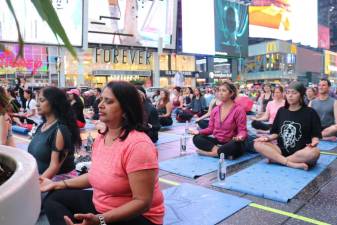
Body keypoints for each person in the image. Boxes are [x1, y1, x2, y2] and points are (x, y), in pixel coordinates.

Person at [40, 81, 164, 225]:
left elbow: (142, 202)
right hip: (103, 206)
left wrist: (100, 220)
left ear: (125, 109)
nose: (100, 105)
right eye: (102, 99)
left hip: (139, 217)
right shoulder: (103, 136)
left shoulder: (139, 146)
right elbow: (95, 176)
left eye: (109, 101)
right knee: (54, 199)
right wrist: (57, 184)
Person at [254, 82, 321, 170]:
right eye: (288, 92)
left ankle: (277, 160)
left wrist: (314, 142)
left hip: (301, 153)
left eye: (294, 93)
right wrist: (267, 138)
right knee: (258, 143)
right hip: (280, 150)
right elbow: (276, 133)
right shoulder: (281, 111)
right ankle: (290, 163)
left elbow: (315, 135)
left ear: (301, 95)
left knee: (315, 153)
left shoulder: (310, 112)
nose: (290, 95)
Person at [28, 87, 81, 180]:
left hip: (56, 181)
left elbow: (54, 167)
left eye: (41, 100)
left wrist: (35, 185)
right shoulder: (41, 127)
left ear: (54, 102)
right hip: (41, 178)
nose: (37, 104)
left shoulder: (61, 130)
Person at [189, 81, 247, 159]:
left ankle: (210, 153)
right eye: (219, 90)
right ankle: (220, 152)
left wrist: (240, 137)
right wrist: (198, 131)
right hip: (218, 141)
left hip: (231, 142)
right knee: (197, 138)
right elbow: (210, 129)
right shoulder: (216, 109)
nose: (220, 93)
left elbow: (242, 130)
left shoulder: (239, 110)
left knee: (236, 145)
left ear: (231, 93)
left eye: (224, 91)